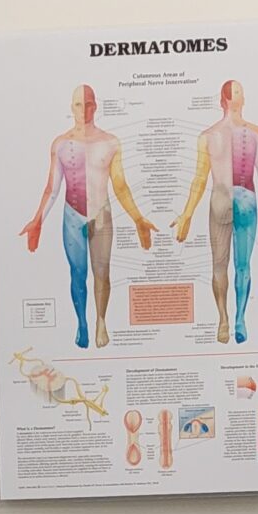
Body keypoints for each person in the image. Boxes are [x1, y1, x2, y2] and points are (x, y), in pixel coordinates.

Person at [19, 84, 156, 349]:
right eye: (79, 104)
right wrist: (38, 220)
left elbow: (120, 185)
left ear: (96, 106)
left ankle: (101, 321)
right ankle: (82, 322)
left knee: (102, 272)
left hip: (101, 214)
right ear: (72, 107)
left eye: (89, 104)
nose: (85, 109)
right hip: (73, 216)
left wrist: (138, 218)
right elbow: (53, 187)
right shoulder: (60, 144)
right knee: (77, 273)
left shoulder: (110, 142)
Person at [172, 80, 258, 345]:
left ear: (221, 101)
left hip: (220, 198)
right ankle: (238, 319)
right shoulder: (257, 133)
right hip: (246, 198)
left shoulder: (208, 135)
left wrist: (187, 215)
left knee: (219, 265)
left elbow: (199, 180)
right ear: (243, 100)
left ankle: (224, 320)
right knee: (242, 265)